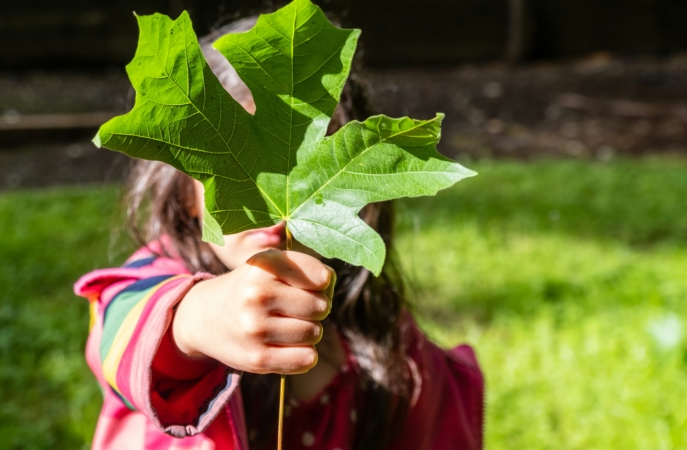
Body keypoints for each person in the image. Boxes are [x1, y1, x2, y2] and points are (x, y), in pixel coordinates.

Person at [74, 17, 483, 450]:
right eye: (240, 172)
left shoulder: (384, 338)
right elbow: (122, 335)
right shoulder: (152, 283)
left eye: (303, 172)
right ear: (187, 194)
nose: (273, 203)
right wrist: (196, 321)